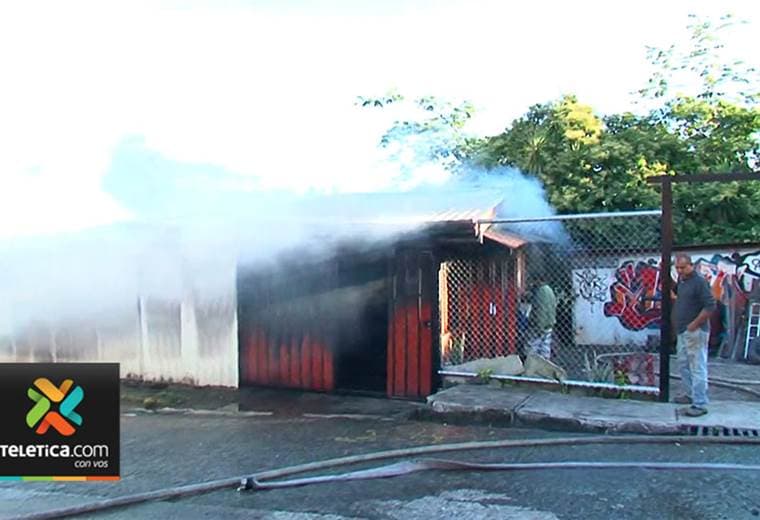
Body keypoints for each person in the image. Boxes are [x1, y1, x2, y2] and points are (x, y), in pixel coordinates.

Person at [673, 253, 716, 417]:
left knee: (697, 366)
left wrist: (695, 324)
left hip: (695, 331)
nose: (679, 270)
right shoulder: (682, 281)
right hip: (683, 330)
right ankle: (690, 394)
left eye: (683, 267)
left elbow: (710, 305)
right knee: (683, 364)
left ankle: (700, 403)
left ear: (691, 265)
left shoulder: (699, 282)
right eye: (677, 268)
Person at [526, 276, 557, 360]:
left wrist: (539, 327)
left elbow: (541, 310)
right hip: (548, 324)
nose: (532, 284)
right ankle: (544, 364)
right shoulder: (549, 290)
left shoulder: (541, 291)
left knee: (532, 348)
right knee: (545, 349)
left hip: (539, 325)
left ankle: (531, 364)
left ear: (538, 280)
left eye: (533, 281)